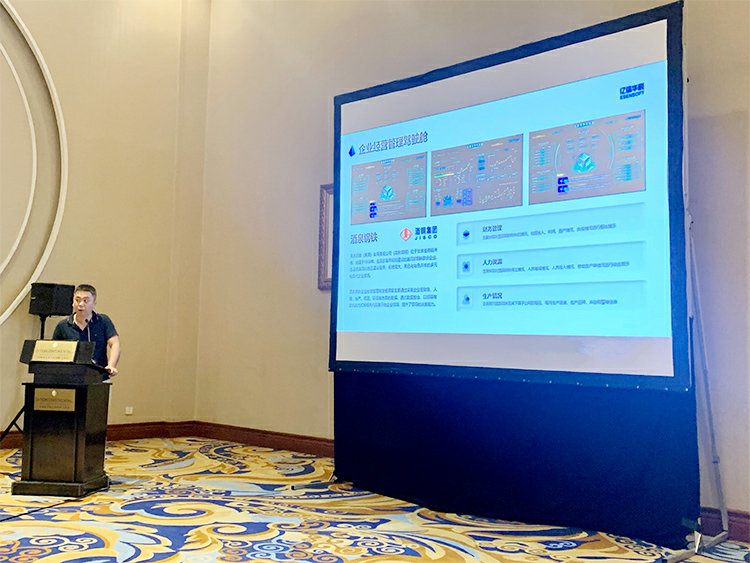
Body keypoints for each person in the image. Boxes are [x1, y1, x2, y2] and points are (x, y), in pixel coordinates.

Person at [52, 284, 120, 379]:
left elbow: (115, 344)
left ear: (94, 303)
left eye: (86, 301)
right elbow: (55, 352)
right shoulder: (63, 325)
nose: (80, 304)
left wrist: (111, 365)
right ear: (72, 302)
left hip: (99, 378)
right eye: (77, 300)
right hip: (70, 378)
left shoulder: (103, 321)